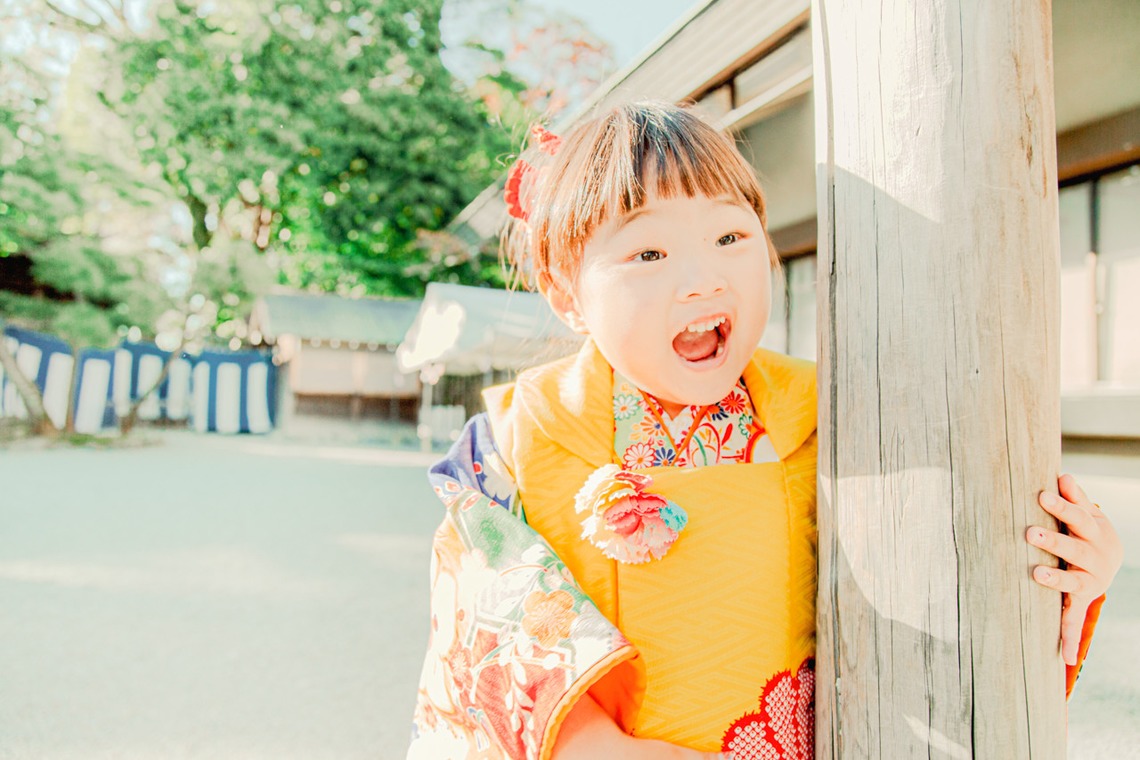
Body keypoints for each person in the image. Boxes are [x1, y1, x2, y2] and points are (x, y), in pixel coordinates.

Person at [406, 102, 1123, 760]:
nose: (702, 279)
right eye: (648, 253)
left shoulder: (841, 420)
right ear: (566, 293)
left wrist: (1062, 584)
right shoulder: (506, 449)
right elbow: (492, 650)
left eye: (729, 235)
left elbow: (947, 620)